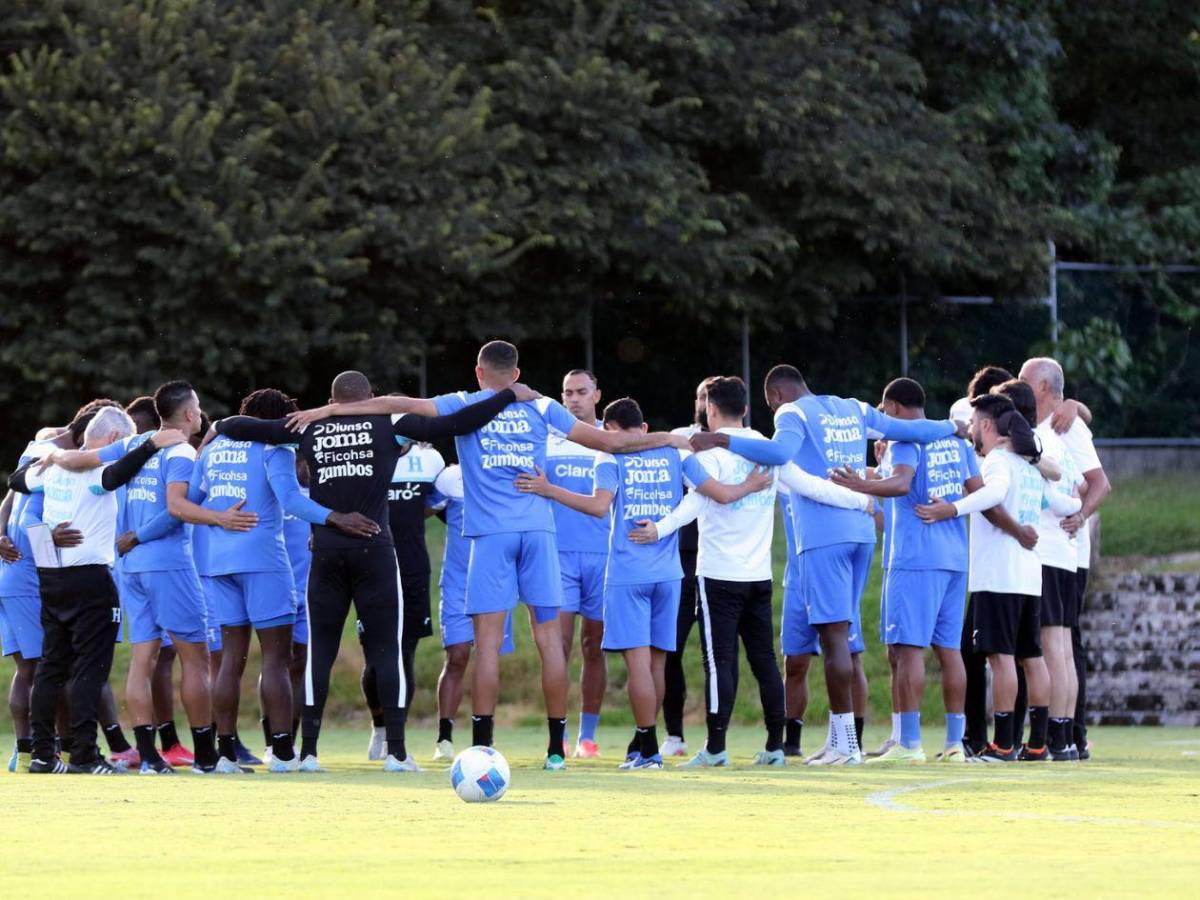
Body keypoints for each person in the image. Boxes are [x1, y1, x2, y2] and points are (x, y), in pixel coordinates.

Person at [287, 342, 687, 769]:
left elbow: (395, 403)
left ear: (479, 372)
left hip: (490, 537)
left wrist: (328, 411)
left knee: (488, 646)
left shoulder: (464, 401)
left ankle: (482, 747)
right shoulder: (542, 406)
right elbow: (613, 442)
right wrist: (671, 438)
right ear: (516, 374)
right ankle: (556, 751)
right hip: (538, 533)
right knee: (551, 642)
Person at [212, 370, 528, 772]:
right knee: (387, 650)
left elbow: (241, 426)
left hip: (326, 551)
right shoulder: (391, 423)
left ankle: (308, 754)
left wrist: (216, 427)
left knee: (319, 653)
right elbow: (458, 423)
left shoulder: (308, 426)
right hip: (374, 550)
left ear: (332, 400)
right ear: (371, 398)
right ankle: (396, 753)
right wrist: (507, 396)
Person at [690, 365, 963, 764]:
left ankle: (846, 745)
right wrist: (952, 427)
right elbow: (910, 430)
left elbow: (779, 453)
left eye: (771, 407)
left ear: (777, 397)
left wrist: (719, 438)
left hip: (824, 536)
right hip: (861, 535)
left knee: (834, 639)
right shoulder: (853, 407)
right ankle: (840, 741)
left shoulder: (792, 413)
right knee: (843, 639)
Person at [516, 395, 771, 769]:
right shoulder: (675, 453)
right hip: (669, 575)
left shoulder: (609, 457)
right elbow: (719, 494)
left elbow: (599, 507)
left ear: (609, 431)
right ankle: (642, 746)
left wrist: (548, 488)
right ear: (645, 428)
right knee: (656, 664)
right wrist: (751, 485)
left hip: (628, 574)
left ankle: (649, 749)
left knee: (638, 665)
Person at [50, 382, 254, 773]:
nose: (200, 412)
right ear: (189, 413)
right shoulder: (181, 453)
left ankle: (148, 758)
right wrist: (220, 518)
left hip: (130, 566)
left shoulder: (135, 444)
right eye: (197, 405)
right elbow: (176, 508)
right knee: (196, 660)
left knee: (143, 659)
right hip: (168, 564)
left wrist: (51, 456)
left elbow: (79, 460)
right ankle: (206, 758)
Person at [191, 388, 377, 773]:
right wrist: (335, 517)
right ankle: (282, 754)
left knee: (230, 660)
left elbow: (191, 499)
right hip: (263, 559)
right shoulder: (273, 449)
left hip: (219, 561)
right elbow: (291, 500)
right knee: (277, 659)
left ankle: (224, 755)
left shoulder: (211, 449)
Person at [8, 407, 186, 773]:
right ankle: (85, 756)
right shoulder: (95, 472)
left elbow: (16, 480)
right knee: (89, 669)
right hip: (89, 578)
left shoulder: (51, 468)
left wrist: (50, 458)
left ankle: (42, 756)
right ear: (113, 439)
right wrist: (151, 444)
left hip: (51, 578)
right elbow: (119, 472)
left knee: (51, 668)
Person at [917, 393, 1080, 762]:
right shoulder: (1029, 467)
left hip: (998, 576)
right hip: (1029, 576)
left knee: (1001, 658)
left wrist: (951, 509)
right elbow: (1061, 503)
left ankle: (1003, 745)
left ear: (987, 425)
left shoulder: (999, 462)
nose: (972, 429)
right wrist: (1078, 509)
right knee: (1031, 658)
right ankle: (1037, 745)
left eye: (975, 423)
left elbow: (992, 495)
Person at [831, 378, 978, 763]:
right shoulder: (957, 442)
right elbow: (977, 489)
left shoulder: (906, 440)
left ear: (894, 408)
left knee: (907, 649)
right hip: (954, 557)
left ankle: (909, 743)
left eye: (884, 409)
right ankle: (954, 743)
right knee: (949, 651)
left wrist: (858, 484)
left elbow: (900, 484)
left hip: (914, 558)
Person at [1020, 357, 1111, 758]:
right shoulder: (1046, 424)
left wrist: (1080, 516)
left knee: (1060, 642)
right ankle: (1066, 736)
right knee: (1059, 642)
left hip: (1062, 550)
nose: (1018, 385)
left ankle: (1067, 734)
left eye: (1024, 380)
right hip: (1061, 548)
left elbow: (1098, 482)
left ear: (1042, 387)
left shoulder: (1065, 426)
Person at [361, 423, 446, 761]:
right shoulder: (365, 454)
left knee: (404, 653)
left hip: (412, 569)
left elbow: (439, 504)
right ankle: (379, 725)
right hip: (370, 567)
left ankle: (397, 734)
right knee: (374, 658)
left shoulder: (430, 459)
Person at [426, 464, 516, 761]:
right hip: (457, 583)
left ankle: (485, 736)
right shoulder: (451, 476)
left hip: (495, 582)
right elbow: (422, 509)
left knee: (488, 656)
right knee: (457, 656)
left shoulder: (509, 471)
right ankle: (444, 737)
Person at [545, 369, 609, 758]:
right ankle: (560, 734)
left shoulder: (609, 439)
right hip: (559, 555)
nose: (573, 399)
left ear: (596, 395)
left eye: (581, 392)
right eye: (567, 393)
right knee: (559, 646)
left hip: (603, 556)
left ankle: (588, 737)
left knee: (594, 647)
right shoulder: (548, 440)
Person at [662, 377, 716, 758]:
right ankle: (674, 735)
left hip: (721, 560)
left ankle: (718, 737)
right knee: (670, 649)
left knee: (717, 655)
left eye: (710, 397)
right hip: (682, 557)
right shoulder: (680, 439)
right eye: (700, 396)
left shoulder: (743, 443)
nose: (704, 402)